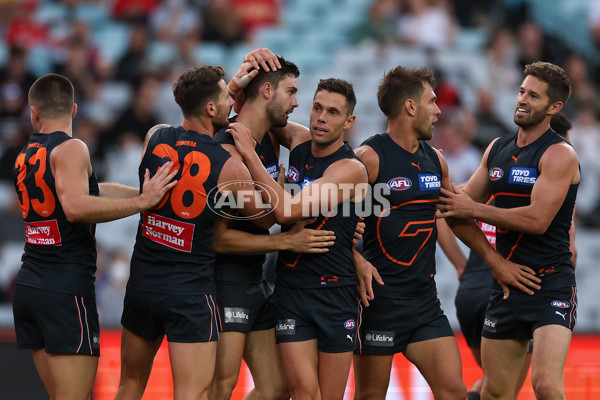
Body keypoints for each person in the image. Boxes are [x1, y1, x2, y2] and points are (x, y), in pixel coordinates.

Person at [350, 65, 541, 400]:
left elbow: (452, 216)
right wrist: (355, 258)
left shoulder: (435, 161)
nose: (438, 111)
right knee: (370, 395)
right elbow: (330, 218)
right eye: (432, 102)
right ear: (410, 107)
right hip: (379, 301)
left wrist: (480, 262)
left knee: (453, 390)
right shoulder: (368, 157)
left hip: (424, 303)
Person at [11, 73, 177, 400]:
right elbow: (75, 207)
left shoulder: (26, 154)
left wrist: (146, 195)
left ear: (34, 112)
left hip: (31, 286)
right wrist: (142, 202)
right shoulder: (72, 147)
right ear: (74, 110)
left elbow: (91, 191)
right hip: (65, 289)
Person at [114, 65, 275, 400]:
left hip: (143, 283)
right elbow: (263, 218)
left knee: (129, 384)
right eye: (224, 98)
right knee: (193, 393)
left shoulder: (154, 137)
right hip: (189, 292)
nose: (231, 103)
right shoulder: (229, 166)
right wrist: (259, 165)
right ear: (210, 108)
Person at [438, 61, 579, 400]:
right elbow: (453, 210)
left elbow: (537, 220)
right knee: (495, 392)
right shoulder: (498, 148)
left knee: (545, 385)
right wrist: (493, 261)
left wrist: (475, 208)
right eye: (521, 91)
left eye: (533, 95)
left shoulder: (560, 154)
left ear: (554, 107)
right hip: (505, 285)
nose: (522, 100)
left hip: (550, 284)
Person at [230, 78, 368, 400]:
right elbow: (252, 110)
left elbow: (287, 211)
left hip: (335, 293)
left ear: (349, 122)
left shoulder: (350, 169)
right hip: (291, 289)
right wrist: (240, 79)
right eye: (317, 108)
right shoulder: (298, 140)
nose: (321, 118)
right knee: (304, 392)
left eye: (333, 113)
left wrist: (251, 155)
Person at [210, 54, 336, 400]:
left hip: (254, 280)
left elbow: (324, 144)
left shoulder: (269, 134)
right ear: (267, 90)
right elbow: (219, 240)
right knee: (221, 385)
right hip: (223, 280)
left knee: (276, 388)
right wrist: (286, 243)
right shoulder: (228, 145)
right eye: (291, 92)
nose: (297, 102)